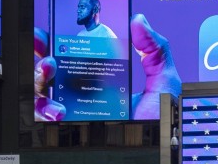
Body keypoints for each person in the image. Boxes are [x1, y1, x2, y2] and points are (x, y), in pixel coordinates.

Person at [34, 14, 181, 121]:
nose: (78, 10)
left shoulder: (105, 33)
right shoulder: (82, 34)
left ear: (95, 11)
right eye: (79, 6)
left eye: (83, 7)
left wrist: (157, 126)